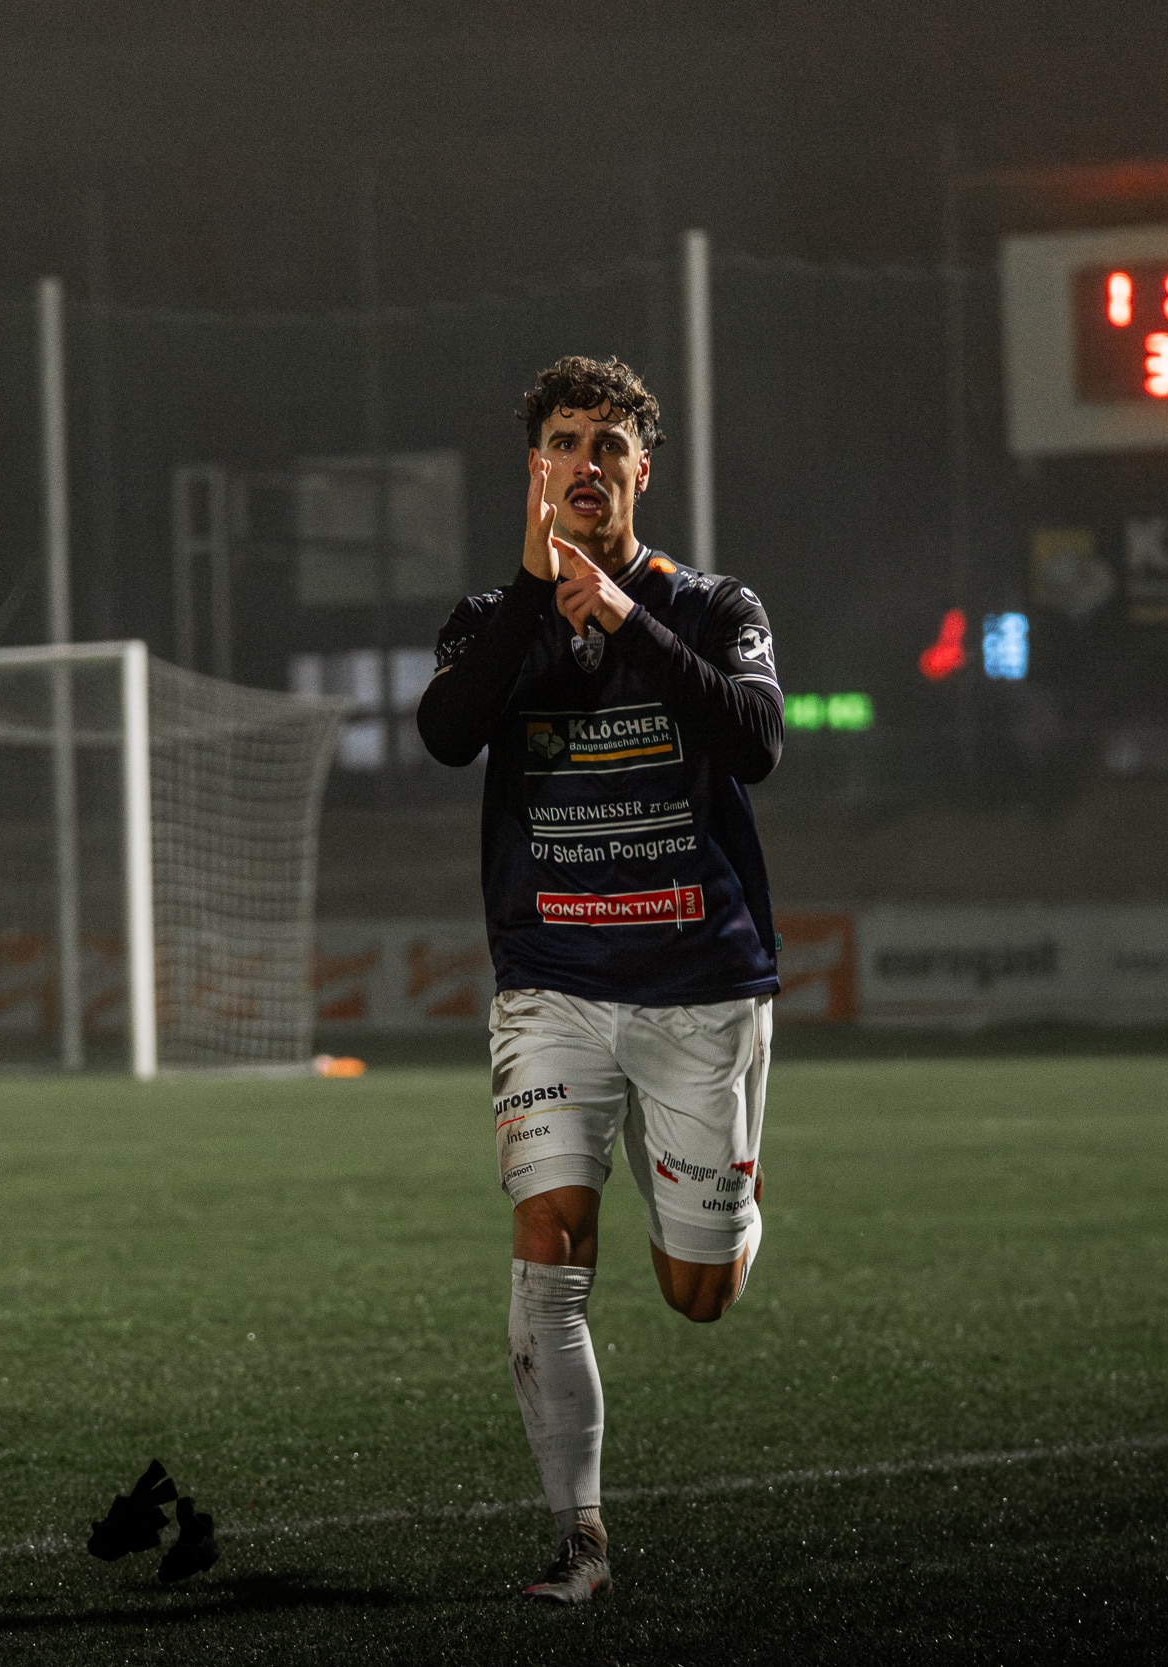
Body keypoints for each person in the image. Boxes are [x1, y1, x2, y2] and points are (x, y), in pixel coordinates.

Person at [416, 355, 782, 1605]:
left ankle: (724, 1195)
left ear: (642, 466)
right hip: (553, 983)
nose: (585, 463)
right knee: (550, 1244)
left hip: (698, 986)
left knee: (697, 1295)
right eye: (562, 442)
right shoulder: (492, 617)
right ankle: (581, 1541)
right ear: (538, 469)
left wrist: (625, 620)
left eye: (608, 444)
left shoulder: (716, 604)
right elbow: (446, 730)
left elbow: (756, 740)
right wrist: (538, 596)